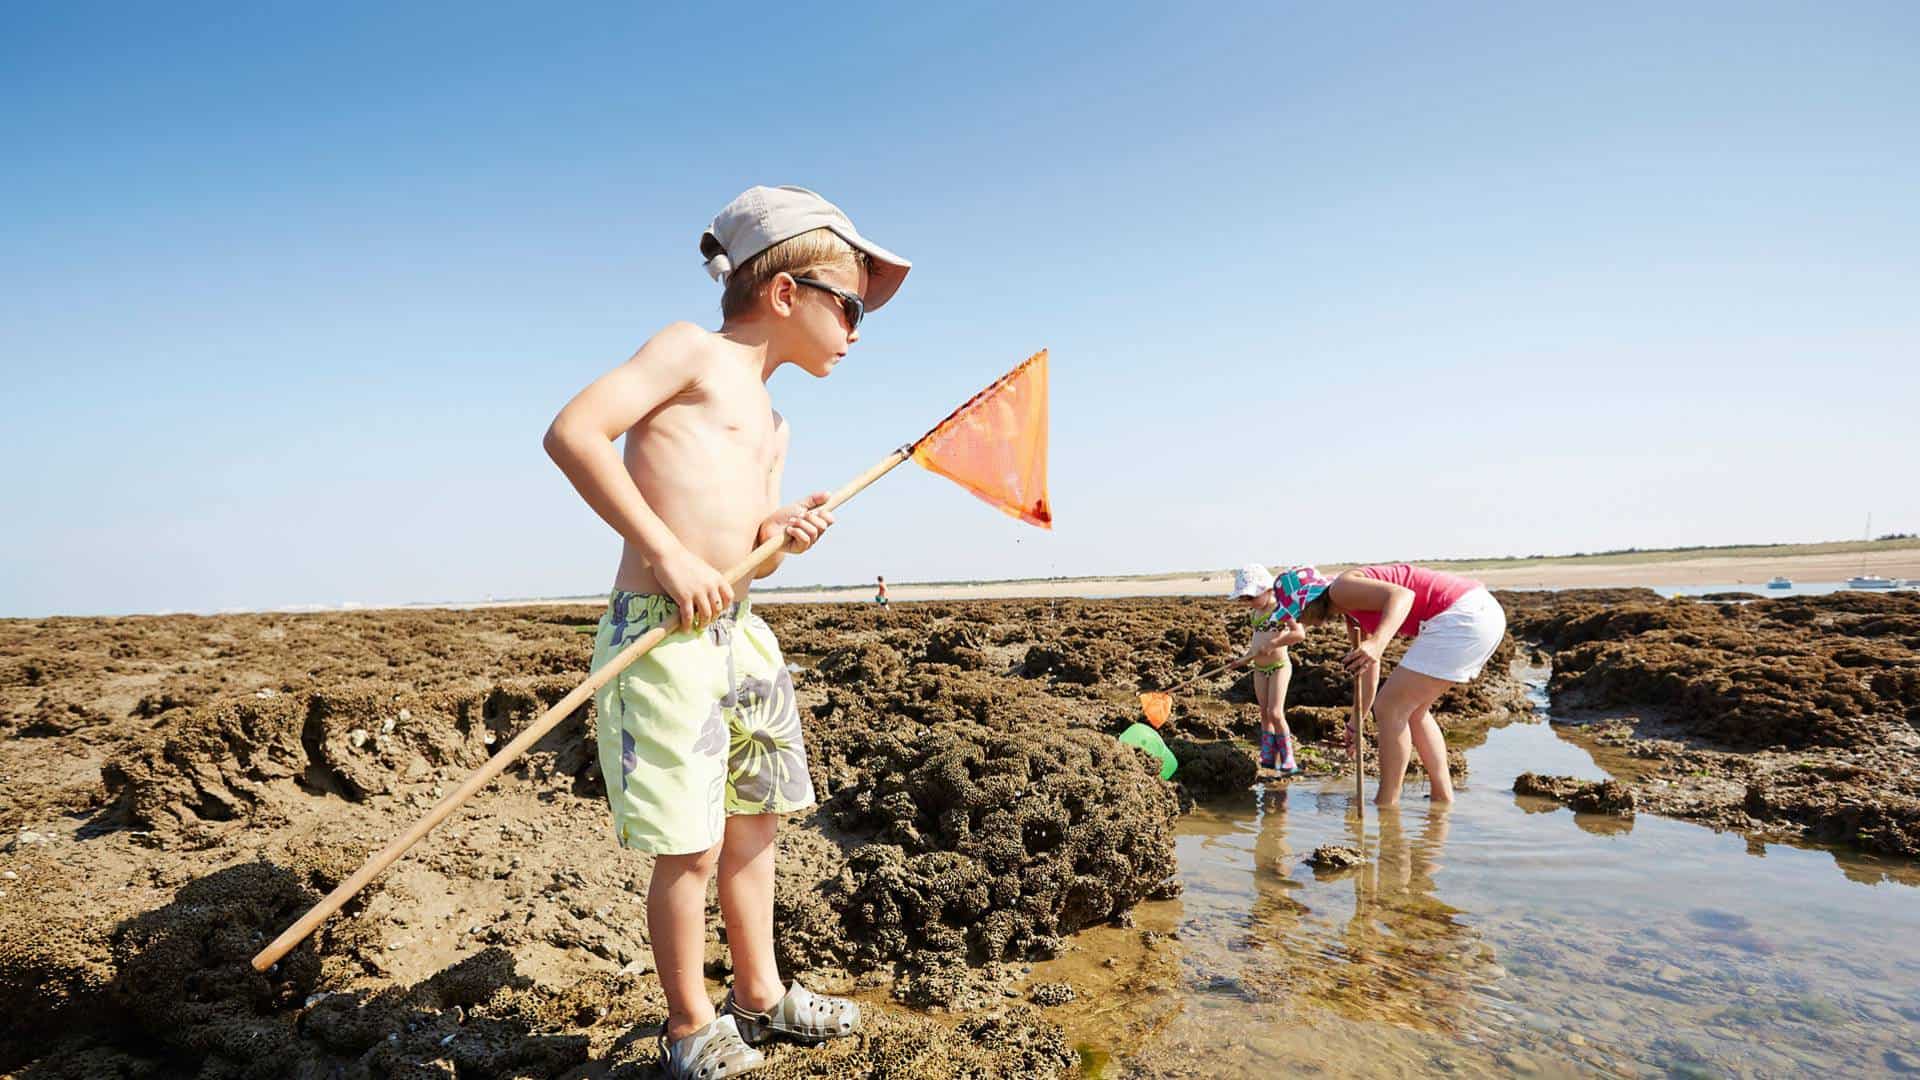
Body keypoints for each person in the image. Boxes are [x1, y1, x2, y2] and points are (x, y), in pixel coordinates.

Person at [543, 185, 909, 1077]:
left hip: (741, 633)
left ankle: (762, 995)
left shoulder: (777, 421)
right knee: (691, 841)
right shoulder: (690, 352)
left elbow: (749, 556)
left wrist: (778, 537)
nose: (858, 329)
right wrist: (664, 553)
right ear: (786, 294)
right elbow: (575, 432)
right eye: (851, 304)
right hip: (659, 636)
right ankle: (687, 1028)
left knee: (757, 823)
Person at [1252, 564, 1505, 806]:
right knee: (1414, 712)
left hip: (1463, 615)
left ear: (1309, 600)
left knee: (1390, 707)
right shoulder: (1351, 614)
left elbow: (1403, 595)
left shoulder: (1341, 589)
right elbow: (1367, 669)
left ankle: (1386, 804)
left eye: (1296, 612)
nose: (1298, 620)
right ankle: (1442, 798)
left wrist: (1378, 642)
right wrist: (1355, 722)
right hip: (1480, 614)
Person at [1230, 563, 1302, 774]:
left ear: (1267, 589)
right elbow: (1255, 643)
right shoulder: (1255, 613)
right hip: (1259, 669)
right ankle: (1268, 754)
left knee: (1275, 712)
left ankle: (1288, 755)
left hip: (1280, 666)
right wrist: (1243, 659)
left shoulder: (1280, 609)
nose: (1248, 603)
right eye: (1244, 599)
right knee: (1264, 713)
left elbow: (1299, 634)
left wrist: (1273, 644)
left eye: (1251, 597)